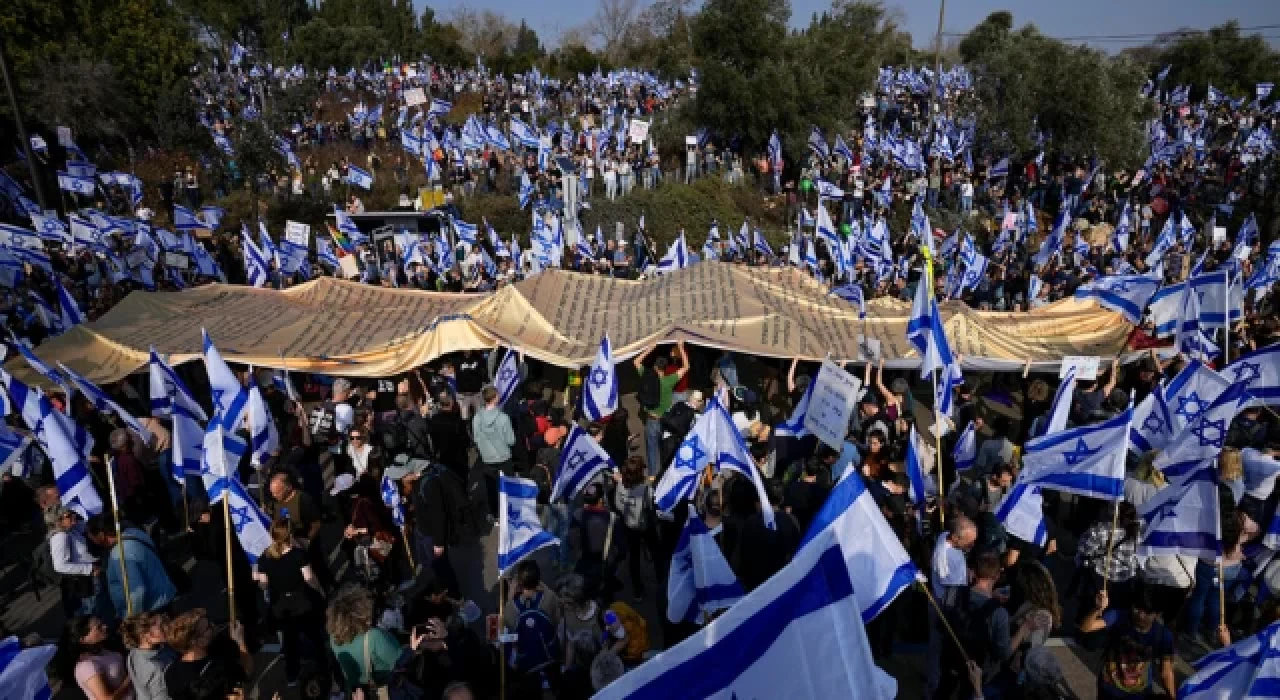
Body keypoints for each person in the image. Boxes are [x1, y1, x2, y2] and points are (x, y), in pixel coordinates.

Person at [253, 519, 327, 687]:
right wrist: (321, 591)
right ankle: (323, 666)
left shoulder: (264, 557)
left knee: (289, 642)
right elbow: (310, 579)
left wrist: (258, 579)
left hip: (281, 607)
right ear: (290, 535)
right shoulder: (298, 555)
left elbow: (263, 584)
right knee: (315, 637)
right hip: (302, 603)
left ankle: (291, 675)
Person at [1080, 587, 1178, 699]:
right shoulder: (1118, 616)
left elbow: (1166, 672)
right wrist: (1097, 609)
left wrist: (1172, 697)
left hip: (1140, 693)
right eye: (1137, 608)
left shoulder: (1164, 635)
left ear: (1157, 614)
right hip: (1109, 688)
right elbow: (1085, 627)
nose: (1141, 615)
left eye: (1148, 612)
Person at [328, 584, 425, 693]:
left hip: (364, 689)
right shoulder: (374, 637)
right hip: (389, 685)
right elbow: (400, 660)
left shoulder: (334, 637)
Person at [86, 513, 176, 619]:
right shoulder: (134, 532)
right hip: (162, 598)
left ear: (101, 534)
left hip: (152, 609)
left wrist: (134, 620)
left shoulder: (120, 553)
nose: (90, 540)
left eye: (90, 536)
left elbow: (136, 592)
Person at [164, 611, 252, 700]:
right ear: (198, 641)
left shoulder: (171, 672)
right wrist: (239, 641)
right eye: (208, 627)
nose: (212, 626)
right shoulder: (219, 668)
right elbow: (246, 671)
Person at [633, 341, 690, 477]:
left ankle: (654, 476)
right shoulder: (669, 381)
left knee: (652, 449)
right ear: (665, 368)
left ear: (654, 367)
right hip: (666, 420)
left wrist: (649, 348)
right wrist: (681, 347)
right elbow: (686, 367)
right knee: (667, 447)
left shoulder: (647, 376)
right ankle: (668, 473)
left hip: (651, 420)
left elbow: (636, 362)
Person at [54, 615, 134, 700]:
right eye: (99, 627)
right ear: (83, 639)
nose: (105, 626)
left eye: (102, 624)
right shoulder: (87, 666)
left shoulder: (103, 648)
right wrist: (131, 677)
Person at [47, 504, 102, 618]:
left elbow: (90, 524)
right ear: (58, 520)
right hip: (84, 582)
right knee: (92, 614)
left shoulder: (72, 529)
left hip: (91, 576)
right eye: (69, 515)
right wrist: (90, 569)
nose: (74, 517)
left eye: (73, 513)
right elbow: (59, 565)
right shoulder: (60, 537)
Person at [610, 457, 654, 599]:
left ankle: (637, 590)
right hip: (644, 525)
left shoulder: (621, 486)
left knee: (634, 558)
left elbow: (617, 505)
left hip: (628, 526)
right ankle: (661, 580)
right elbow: (649, 505)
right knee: (655, 552)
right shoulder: (645, 488)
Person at [472, 385, 516, 515]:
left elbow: (476, 438)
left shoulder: (477, 418)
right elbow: (511, 440)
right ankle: (509, 512)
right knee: (508, 486)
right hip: (504, 457)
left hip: (487, 459)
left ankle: (495, 514)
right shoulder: (504, 418)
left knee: (491, 488)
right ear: (495, 398)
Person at [122, 612, 176, 700]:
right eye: (161, 628)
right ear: (144, 635)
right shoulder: (156, 666)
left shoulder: (133, 653)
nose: (167, 628)